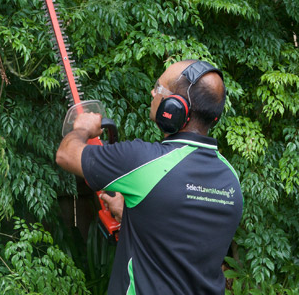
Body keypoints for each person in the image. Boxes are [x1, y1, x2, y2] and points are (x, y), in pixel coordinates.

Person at [56, 60, 243, 294]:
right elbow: (183, 238)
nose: (153, 93)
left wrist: (83, 128)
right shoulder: (231, 179)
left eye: (159, 88)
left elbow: (66, 155)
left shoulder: (145, 160)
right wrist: (131, 213)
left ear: (175, 107)